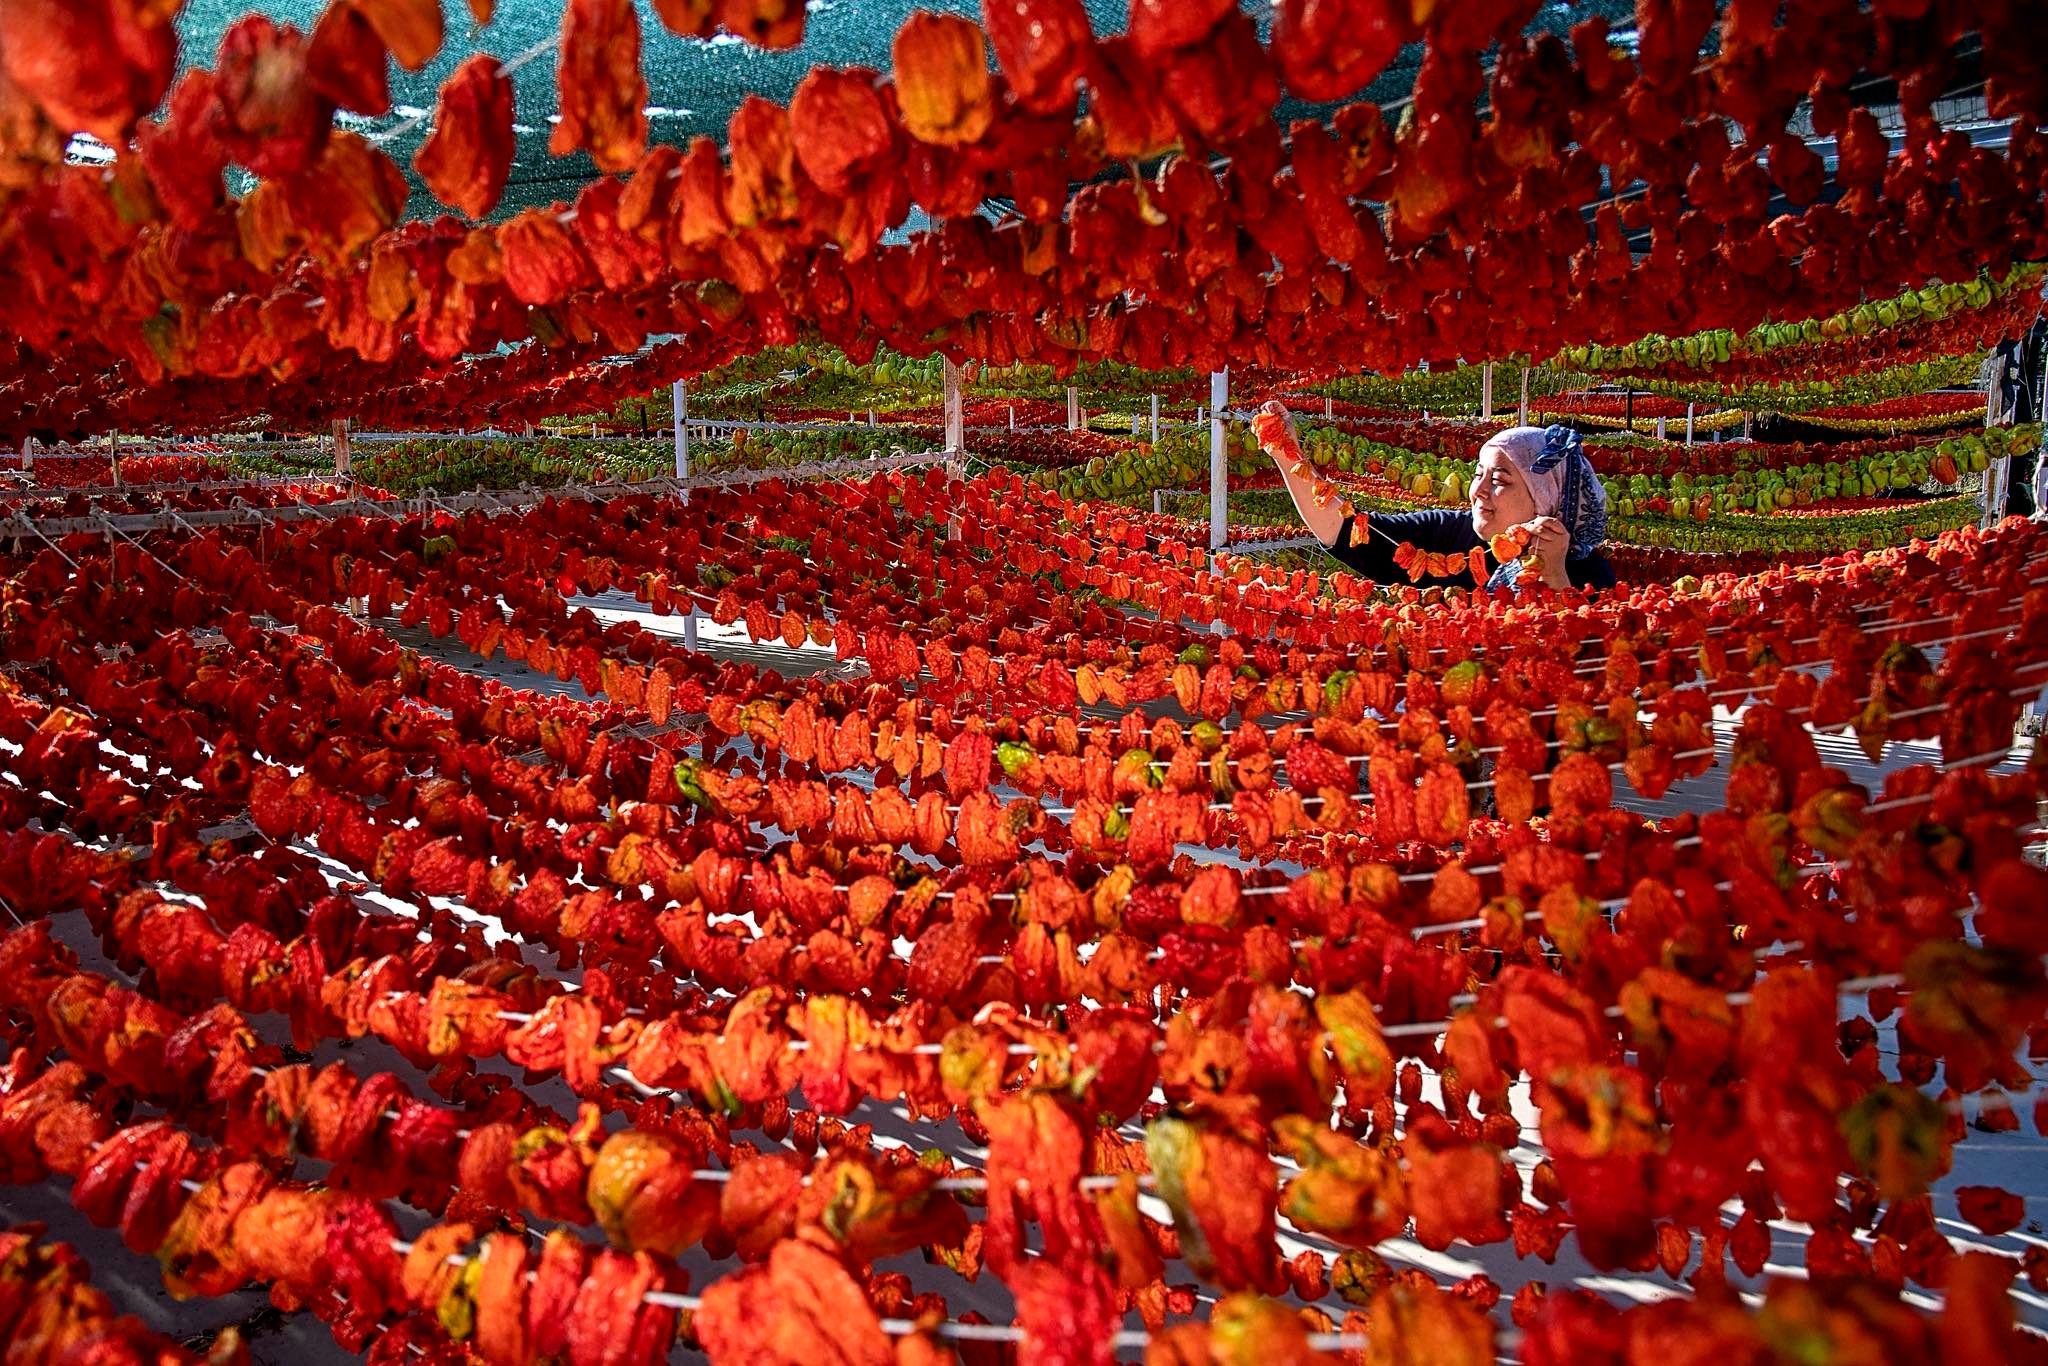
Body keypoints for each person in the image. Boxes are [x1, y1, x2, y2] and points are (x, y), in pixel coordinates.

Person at [1259, 401, 1617, 591]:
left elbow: (1587, 670)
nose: (1478, 491)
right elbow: (1346, 531)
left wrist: (1554, 578)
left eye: (1499, 480)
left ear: (1546, 498)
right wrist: (1286, 452)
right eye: (1478, 475)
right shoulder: (1451, 533)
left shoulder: (1588, 573)